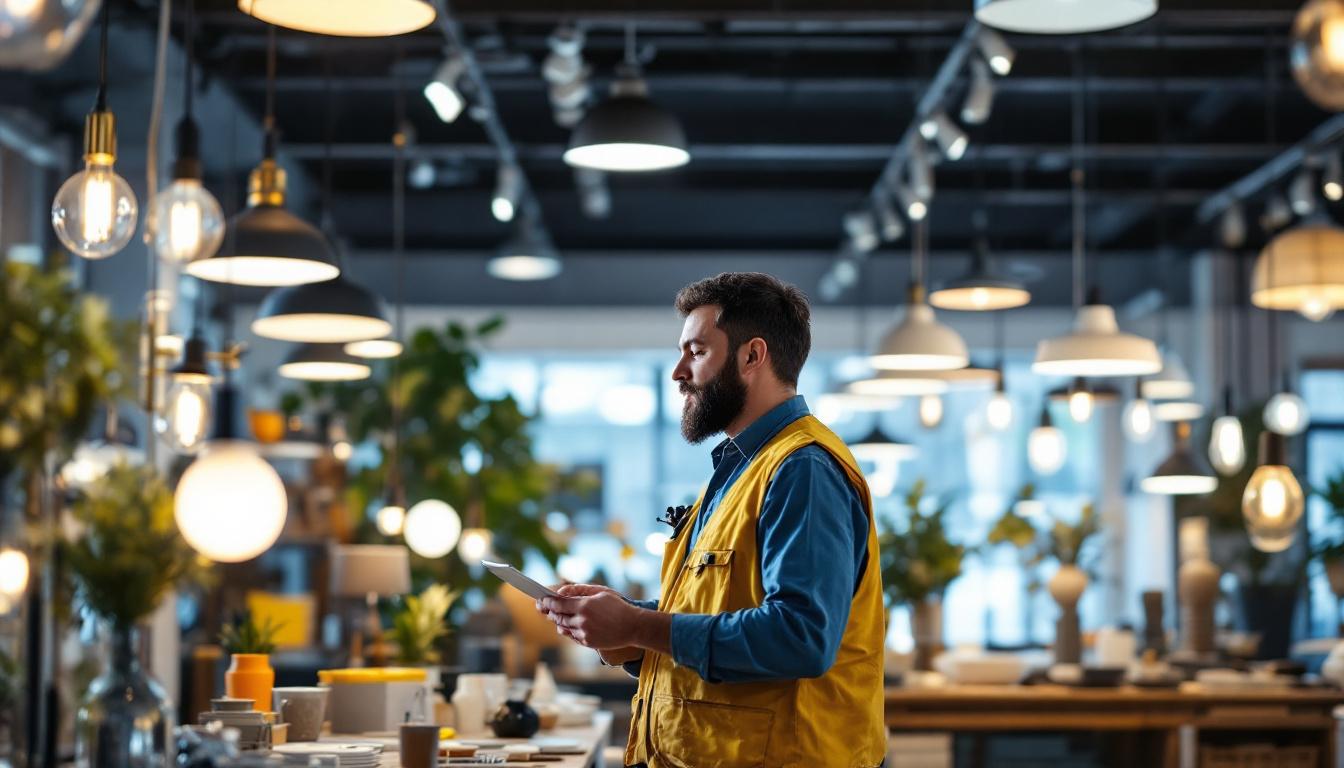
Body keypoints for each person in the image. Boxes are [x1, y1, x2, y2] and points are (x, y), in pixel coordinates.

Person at [536, 272, 886, 768]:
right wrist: (627, 630)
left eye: (697, 352)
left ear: (751, 356)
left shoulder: (803, 469)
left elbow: (801, 637)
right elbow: (720, 608)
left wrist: (639, 624)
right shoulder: (738, 470)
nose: (678, 371)